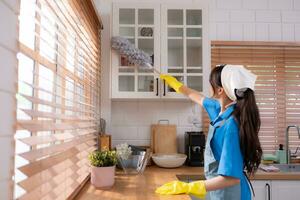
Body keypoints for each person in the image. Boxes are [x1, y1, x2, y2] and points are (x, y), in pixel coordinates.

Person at [156, 64, 262, 200]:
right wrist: (178, 86)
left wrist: (190, 187)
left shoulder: (231, 125)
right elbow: (198, 98)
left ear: (220, 90)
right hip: (218, 190)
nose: (209, 86)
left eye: (211, 83)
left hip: (232, 193)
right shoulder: (221, 110)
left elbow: (231, 178)